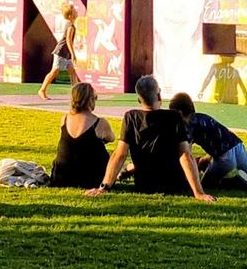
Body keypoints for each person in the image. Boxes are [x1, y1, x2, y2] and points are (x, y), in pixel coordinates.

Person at [84, 74, 213, 202]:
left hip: (144, 185)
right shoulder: (174, 117)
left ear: (139, 99)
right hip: (174, 184)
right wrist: (198, 192)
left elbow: (119, 155)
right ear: (159, 95)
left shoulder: (131, 118)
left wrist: (104, 187)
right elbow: (185, 155)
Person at [48, 80, 113, 188]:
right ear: (90, 100)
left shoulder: (64, 119)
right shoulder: (99, 123)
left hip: (61, 177)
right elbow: (111, 138)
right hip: (91, 179)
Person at [36, 2, 80, 100]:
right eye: (74, 11)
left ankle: (76, 94)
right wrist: (73, 54)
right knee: (55, 71)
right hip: (61, 52)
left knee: (72, 72)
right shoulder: (70, 27)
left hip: (66, 53)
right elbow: (68, 40)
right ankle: (42, 90)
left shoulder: (71, 25)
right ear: (70, 15)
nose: (77, 12)